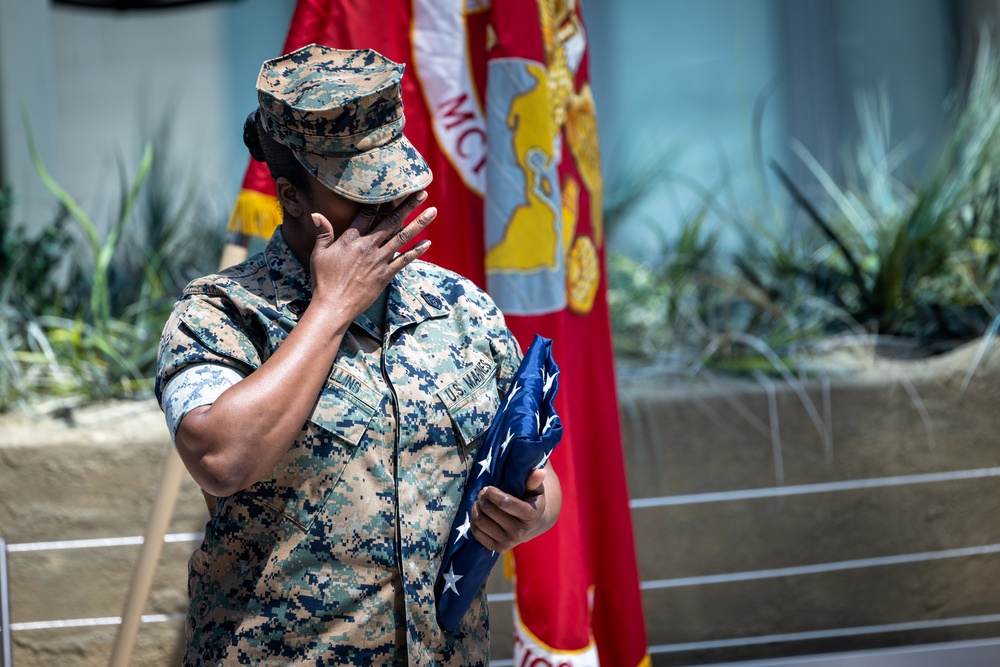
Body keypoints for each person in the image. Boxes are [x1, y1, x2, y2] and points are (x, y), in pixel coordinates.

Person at [154, 44, 561, 666]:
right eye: (363, 194)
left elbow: (536, 476)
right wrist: (331, 308)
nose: (392, 206)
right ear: (292, 196)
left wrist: (530, 513)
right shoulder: (221, 314)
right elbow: (221, 457)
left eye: (395, 183)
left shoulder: (461, 307)